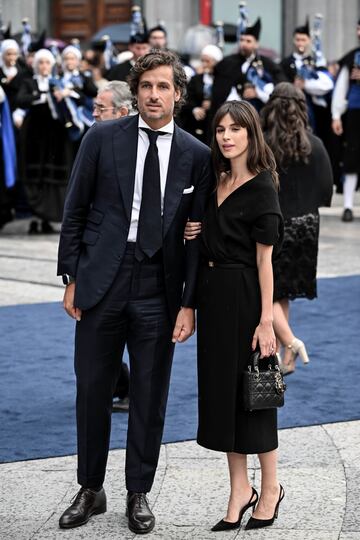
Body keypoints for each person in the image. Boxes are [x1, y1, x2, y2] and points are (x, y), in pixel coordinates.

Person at [57, 49, 212, 534]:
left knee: (150, 394)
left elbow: (198, 232)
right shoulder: (102, 138)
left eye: (163, 86)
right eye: (146, 86)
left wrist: (189, 302)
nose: (153, 94)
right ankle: (90, 488)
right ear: (136, 91)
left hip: (159, 289)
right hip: (102, 279)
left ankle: (138, 492)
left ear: (178, 95)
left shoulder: (197, 154)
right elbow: (75, 208)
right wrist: (72, 277)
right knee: (92, 390)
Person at [194, 100, 284, 531]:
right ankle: (238, 491)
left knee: (255, 398)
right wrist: (194, 230)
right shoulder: (217, 179)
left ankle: (270, 488)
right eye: (220, 129)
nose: (226, 136)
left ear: (251, 134)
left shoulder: (263, 187)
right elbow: (204, 233)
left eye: (235, 129)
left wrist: (266, 321)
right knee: (225, 399)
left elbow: (266, 262)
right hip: (213, 302)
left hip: (247, 299)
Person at [261, 82, 333, 374]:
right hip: (306, 225)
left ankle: (287, 344)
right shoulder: (314, 143)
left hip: (273, 223)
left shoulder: (263, 142)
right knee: (283, 292)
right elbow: (327, 188)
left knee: (264, 288)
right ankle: (284, 358)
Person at [92, 80, 134, 412]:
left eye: (99, 109)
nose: (93, 114)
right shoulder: (95, 141)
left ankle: (127, 386)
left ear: (121, 112)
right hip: (99, 259)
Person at [210, 18, 286, 116]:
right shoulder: (226, 63)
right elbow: (219, 92)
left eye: (248, 41)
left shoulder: (267, 64)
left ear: (256, 44)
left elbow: (280, 87)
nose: (244, 44)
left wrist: (258, 92)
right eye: (241, 40)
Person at [280, 18, 333, 149]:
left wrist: (305, 85)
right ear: (293, 40)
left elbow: (327, 84)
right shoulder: (284, 63)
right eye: (298, 40)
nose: (300, 43)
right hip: (289, 111)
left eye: (303, 40)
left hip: (313, 112)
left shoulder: (316, 62)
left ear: (309, 41)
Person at [331, 19, 360, 222]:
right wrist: (336, 115)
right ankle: (348, 206)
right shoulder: (352, 57)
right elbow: (341, 87)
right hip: (355, 113)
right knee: (351, 158)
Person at [181, 44, 223, 144]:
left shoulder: (222, 82)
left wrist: (213, 104)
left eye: (207, 61)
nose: (204, 64)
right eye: (202, 61)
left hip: (212, 126)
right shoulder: (196, 79)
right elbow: (186, 99)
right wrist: (194, 109)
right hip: (194, 127)